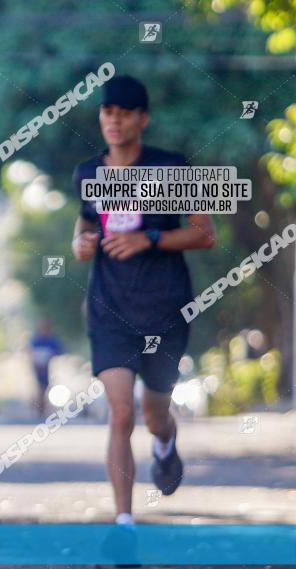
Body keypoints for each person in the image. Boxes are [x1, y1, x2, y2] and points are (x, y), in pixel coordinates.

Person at [71, 75, 215, 526]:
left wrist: (147, 238)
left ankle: (166, 441)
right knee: (119, 413)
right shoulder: (88, 174)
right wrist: (80, 244)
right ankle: (124, 522)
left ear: (142, 119)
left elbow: (203, 233)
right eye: (107, 112)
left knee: (154, 414)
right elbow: (83, 226)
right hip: (108, 309)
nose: (114, 121)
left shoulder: (171, 168)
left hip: (164, 309)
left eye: (125, 113)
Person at [29, 319, 64, 418]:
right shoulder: (36, 340)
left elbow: (59, 350)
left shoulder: (51, 340)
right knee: (40, 387)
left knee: (44, 388)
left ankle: (41, 408)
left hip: (48, 368)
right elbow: (30, 351)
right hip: (37, 368)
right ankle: (39, 408)